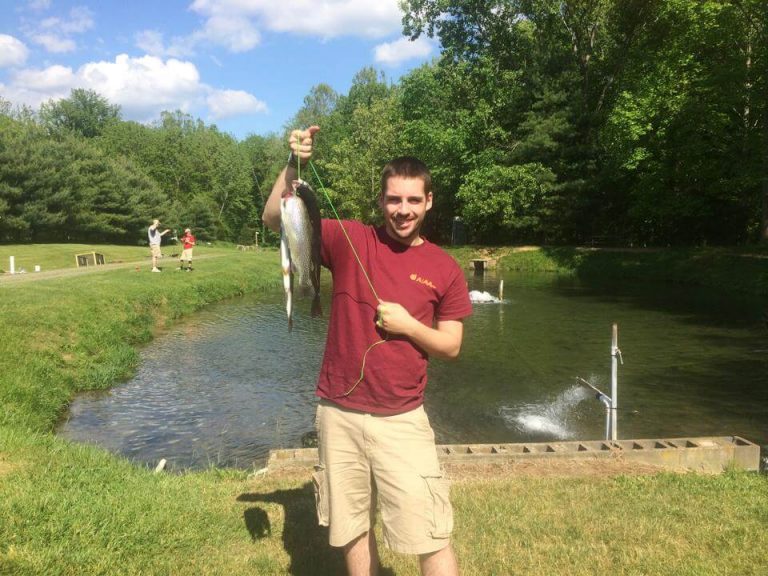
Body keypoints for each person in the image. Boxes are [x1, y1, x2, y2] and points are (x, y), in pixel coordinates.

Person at [262, 126, 472, 576]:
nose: (403, 210)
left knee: (430, 532)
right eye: (394, 200)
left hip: (402, 419)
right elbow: (275, 219)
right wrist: (292, 161)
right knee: (352, 526)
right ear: (381, 201)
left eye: (413, 200)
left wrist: (410, 326)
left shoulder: (445, 268)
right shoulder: (350, 238)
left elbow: (451, 346)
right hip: (337, 413)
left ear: (429, 202)